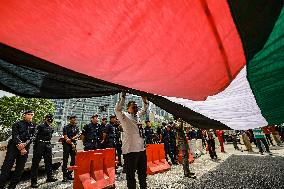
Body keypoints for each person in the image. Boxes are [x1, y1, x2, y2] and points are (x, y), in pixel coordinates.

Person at [115, 92, 148, 189]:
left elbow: (144, 109)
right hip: (130, 150)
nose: (136, 108)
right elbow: (117, 109)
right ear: (128, 108)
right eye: (133, 106)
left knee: (142, 173)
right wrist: (123, 96)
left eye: (136, 106)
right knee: (131, 175)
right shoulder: (124, 116)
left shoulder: (137, 116)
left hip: (141, 149)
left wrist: (144, 100)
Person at [0, 110, 36, 189]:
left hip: (25, 148)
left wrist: (25, 144)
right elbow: (15, 136)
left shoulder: (33, 125)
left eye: (32, 115)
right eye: (28, 114)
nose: (30, 116)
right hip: (14, 147)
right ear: (24, 115)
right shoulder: (17, 124)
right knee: (6, 167)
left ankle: (12, 186)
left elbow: (32, 137)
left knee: (20, 169)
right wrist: (20, 145)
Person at [30, 114, 58, 188]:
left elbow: (50, 136)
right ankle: (34, 182)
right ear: (45, 119)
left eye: (51, 118)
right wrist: (37, 144)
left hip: (48, 145)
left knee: (49, 162)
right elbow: (34, 135)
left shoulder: (51, 127)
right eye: (48, 118)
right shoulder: (40, 126)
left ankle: (49, 177)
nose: (50, 119)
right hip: (39, 145)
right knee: (35, 163)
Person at [62, 115, 80, 182]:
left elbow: (78, 135)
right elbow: (65, 137)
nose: (75, 120)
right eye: (73, 119)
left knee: (73, 160)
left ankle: (69, 174)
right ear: (70, 119)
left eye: (75, 119)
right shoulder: (66, 127)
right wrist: (71, 143)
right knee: (65, 160)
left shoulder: (76, 127)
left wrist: (73, 139)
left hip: (73, 144)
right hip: (67, 144)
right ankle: (64, 176)